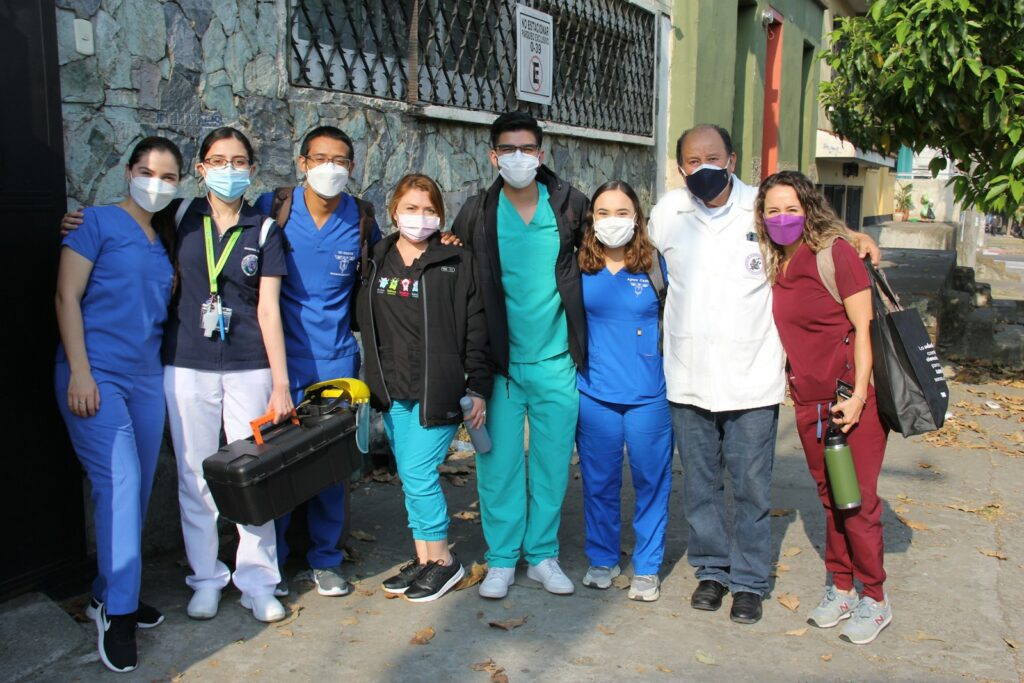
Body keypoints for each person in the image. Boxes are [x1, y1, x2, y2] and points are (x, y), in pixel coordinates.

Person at [647, 124, 879, 625]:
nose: (703, 167)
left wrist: (855, 237)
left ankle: (750, 581)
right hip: (688, 375)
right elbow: (636, 259)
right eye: (692, 160)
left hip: (753, 377)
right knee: (701, 484)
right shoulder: (668, 213)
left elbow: (810, 225)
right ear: (681, 166)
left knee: (752, 485)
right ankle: (711, 570)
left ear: (732, 160)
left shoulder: (761, 207)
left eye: (713, 157)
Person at [54, 137, 181, 672]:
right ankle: (118, 613)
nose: (157, 183)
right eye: (149, 171)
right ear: (130, 171)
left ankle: (109, 590)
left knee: (138, 487)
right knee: (121, 481)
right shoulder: (94, 224)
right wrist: (80, 372)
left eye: (170, 176)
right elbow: (66, 298)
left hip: (146, 378)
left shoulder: (163, 240)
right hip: (96, 373)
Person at [451, 112, 589, 599]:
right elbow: (459, 282)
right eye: (507, 149)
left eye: (526, 149)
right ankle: (502, 560)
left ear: (541, 154)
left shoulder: (570, 206)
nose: (517, 157)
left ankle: (543, 555)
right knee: (499, 464)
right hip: (500, 370)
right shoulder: (476, 212)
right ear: (493, 156)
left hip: (555, 363)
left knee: (552, 464)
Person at [161, 127, 292, 623]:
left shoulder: (264, 230)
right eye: (218, 160)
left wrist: (280, 382)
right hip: (186, 364)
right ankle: (206, 577)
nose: (229, 170)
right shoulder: (177, 218)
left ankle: (258, 582)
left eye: (239, 162)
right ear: (200, 168)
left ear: (253, 169)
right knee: (194, 475)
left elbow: (268, 311)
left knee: (251, 475)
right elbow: (128, 231)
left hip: (249, 366)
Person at [755, 170, 891, 644]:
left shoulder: (836, 255)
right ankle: (841, 586)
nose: (782, 217)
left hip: (849, 398)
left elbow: (864, 328)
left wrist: (857, 397)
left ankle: (875, 597)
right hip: (808, 401)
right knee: (831, 499)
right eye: (773, 210)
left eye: (792, 208)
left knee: (857, 501)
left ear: (809, 208)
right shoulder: (777, 260)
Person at [253, 126, 381, 599]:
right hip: (279, 362)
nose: (331, 168)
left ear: (351, 167)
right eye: (321, 158)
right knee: (278, 464)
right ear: (302, 163)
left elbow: (394, 263)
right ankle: (277, 560)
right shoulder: (273, 208)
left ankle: (326, 559)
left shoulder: (361, 219)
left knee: (331, 466)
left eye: (341, 160)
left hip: (337, 362)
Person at [356, 174, 489, 602]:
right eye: (411, 208)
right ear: (394, 211)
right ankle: (423, 555)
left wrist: (479, 387)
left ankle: (445, 563)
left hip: (439, 388)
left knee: (417, 472)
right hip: (391, 388)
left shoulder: (456, 261)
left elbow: (476, 329)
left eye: (429, 209)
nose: (420, 217)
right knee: (411, 477)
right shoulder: (376, 256)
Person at [575, 181, 673, 602]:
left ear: (637, 217)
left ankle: (648, 567)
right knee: (599, 481)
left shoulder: (656, 265)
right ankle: (602, 558)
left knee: (652, 481)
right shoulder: (578, 264)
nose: (612, 221)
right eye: (602, 212)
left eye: (621, 212)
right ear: (591, 219)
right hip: (594, 393)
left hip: (649, 396)